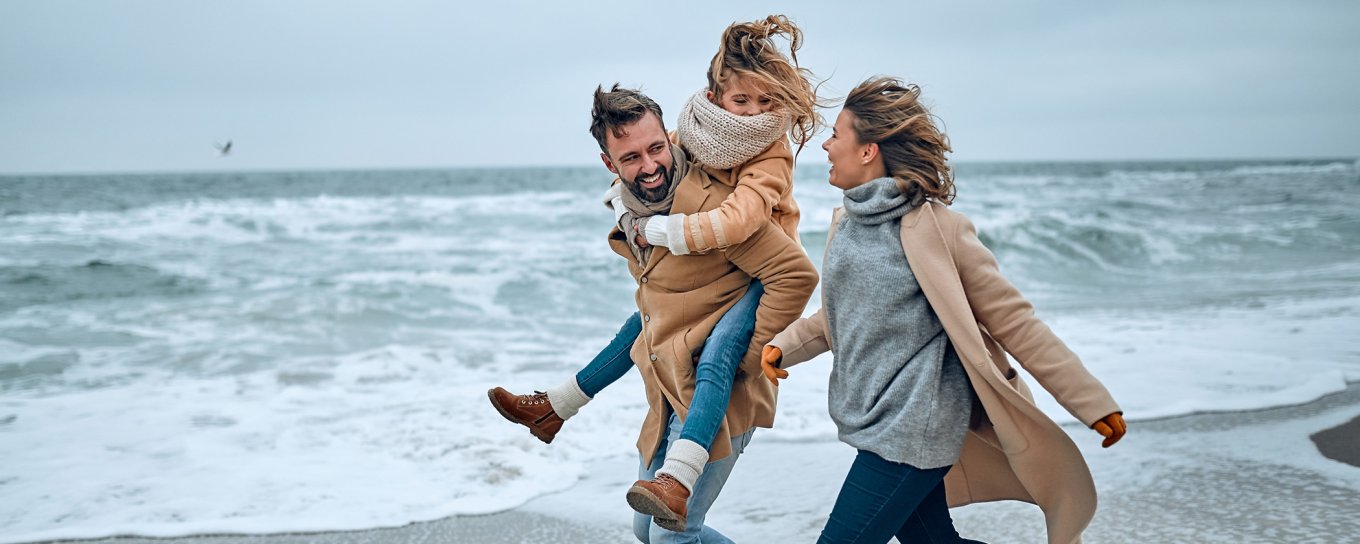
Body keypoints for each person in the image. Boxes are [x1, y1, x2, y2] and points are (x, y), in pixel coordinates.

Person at [488, 14, 820, 536]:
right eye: (631, 157)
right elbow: (652, 293)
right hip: (671, 382)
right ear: (608, 162)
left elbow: (795, 274)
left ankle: (571, 416)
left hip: (720, 392)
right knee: (648, 533)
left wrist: (750, 356)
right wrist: (631, 219)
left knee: (671, 534)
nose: (648, 164)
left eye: (656, 149)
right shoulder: (666, 182)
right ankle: (554, 407)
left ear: (671, 140)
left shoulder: (723, 206)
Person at [761, 77, 1127, 544]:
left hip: (918, 423)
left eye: (836, 134)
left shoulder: (938, 230)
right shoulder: (847, 224)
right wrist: (784, 347)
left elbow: (1015, 321)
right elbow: (837, 317)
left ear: (869, 150)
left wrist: (1091, 402)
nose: (826, 146)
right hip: (873, 418)